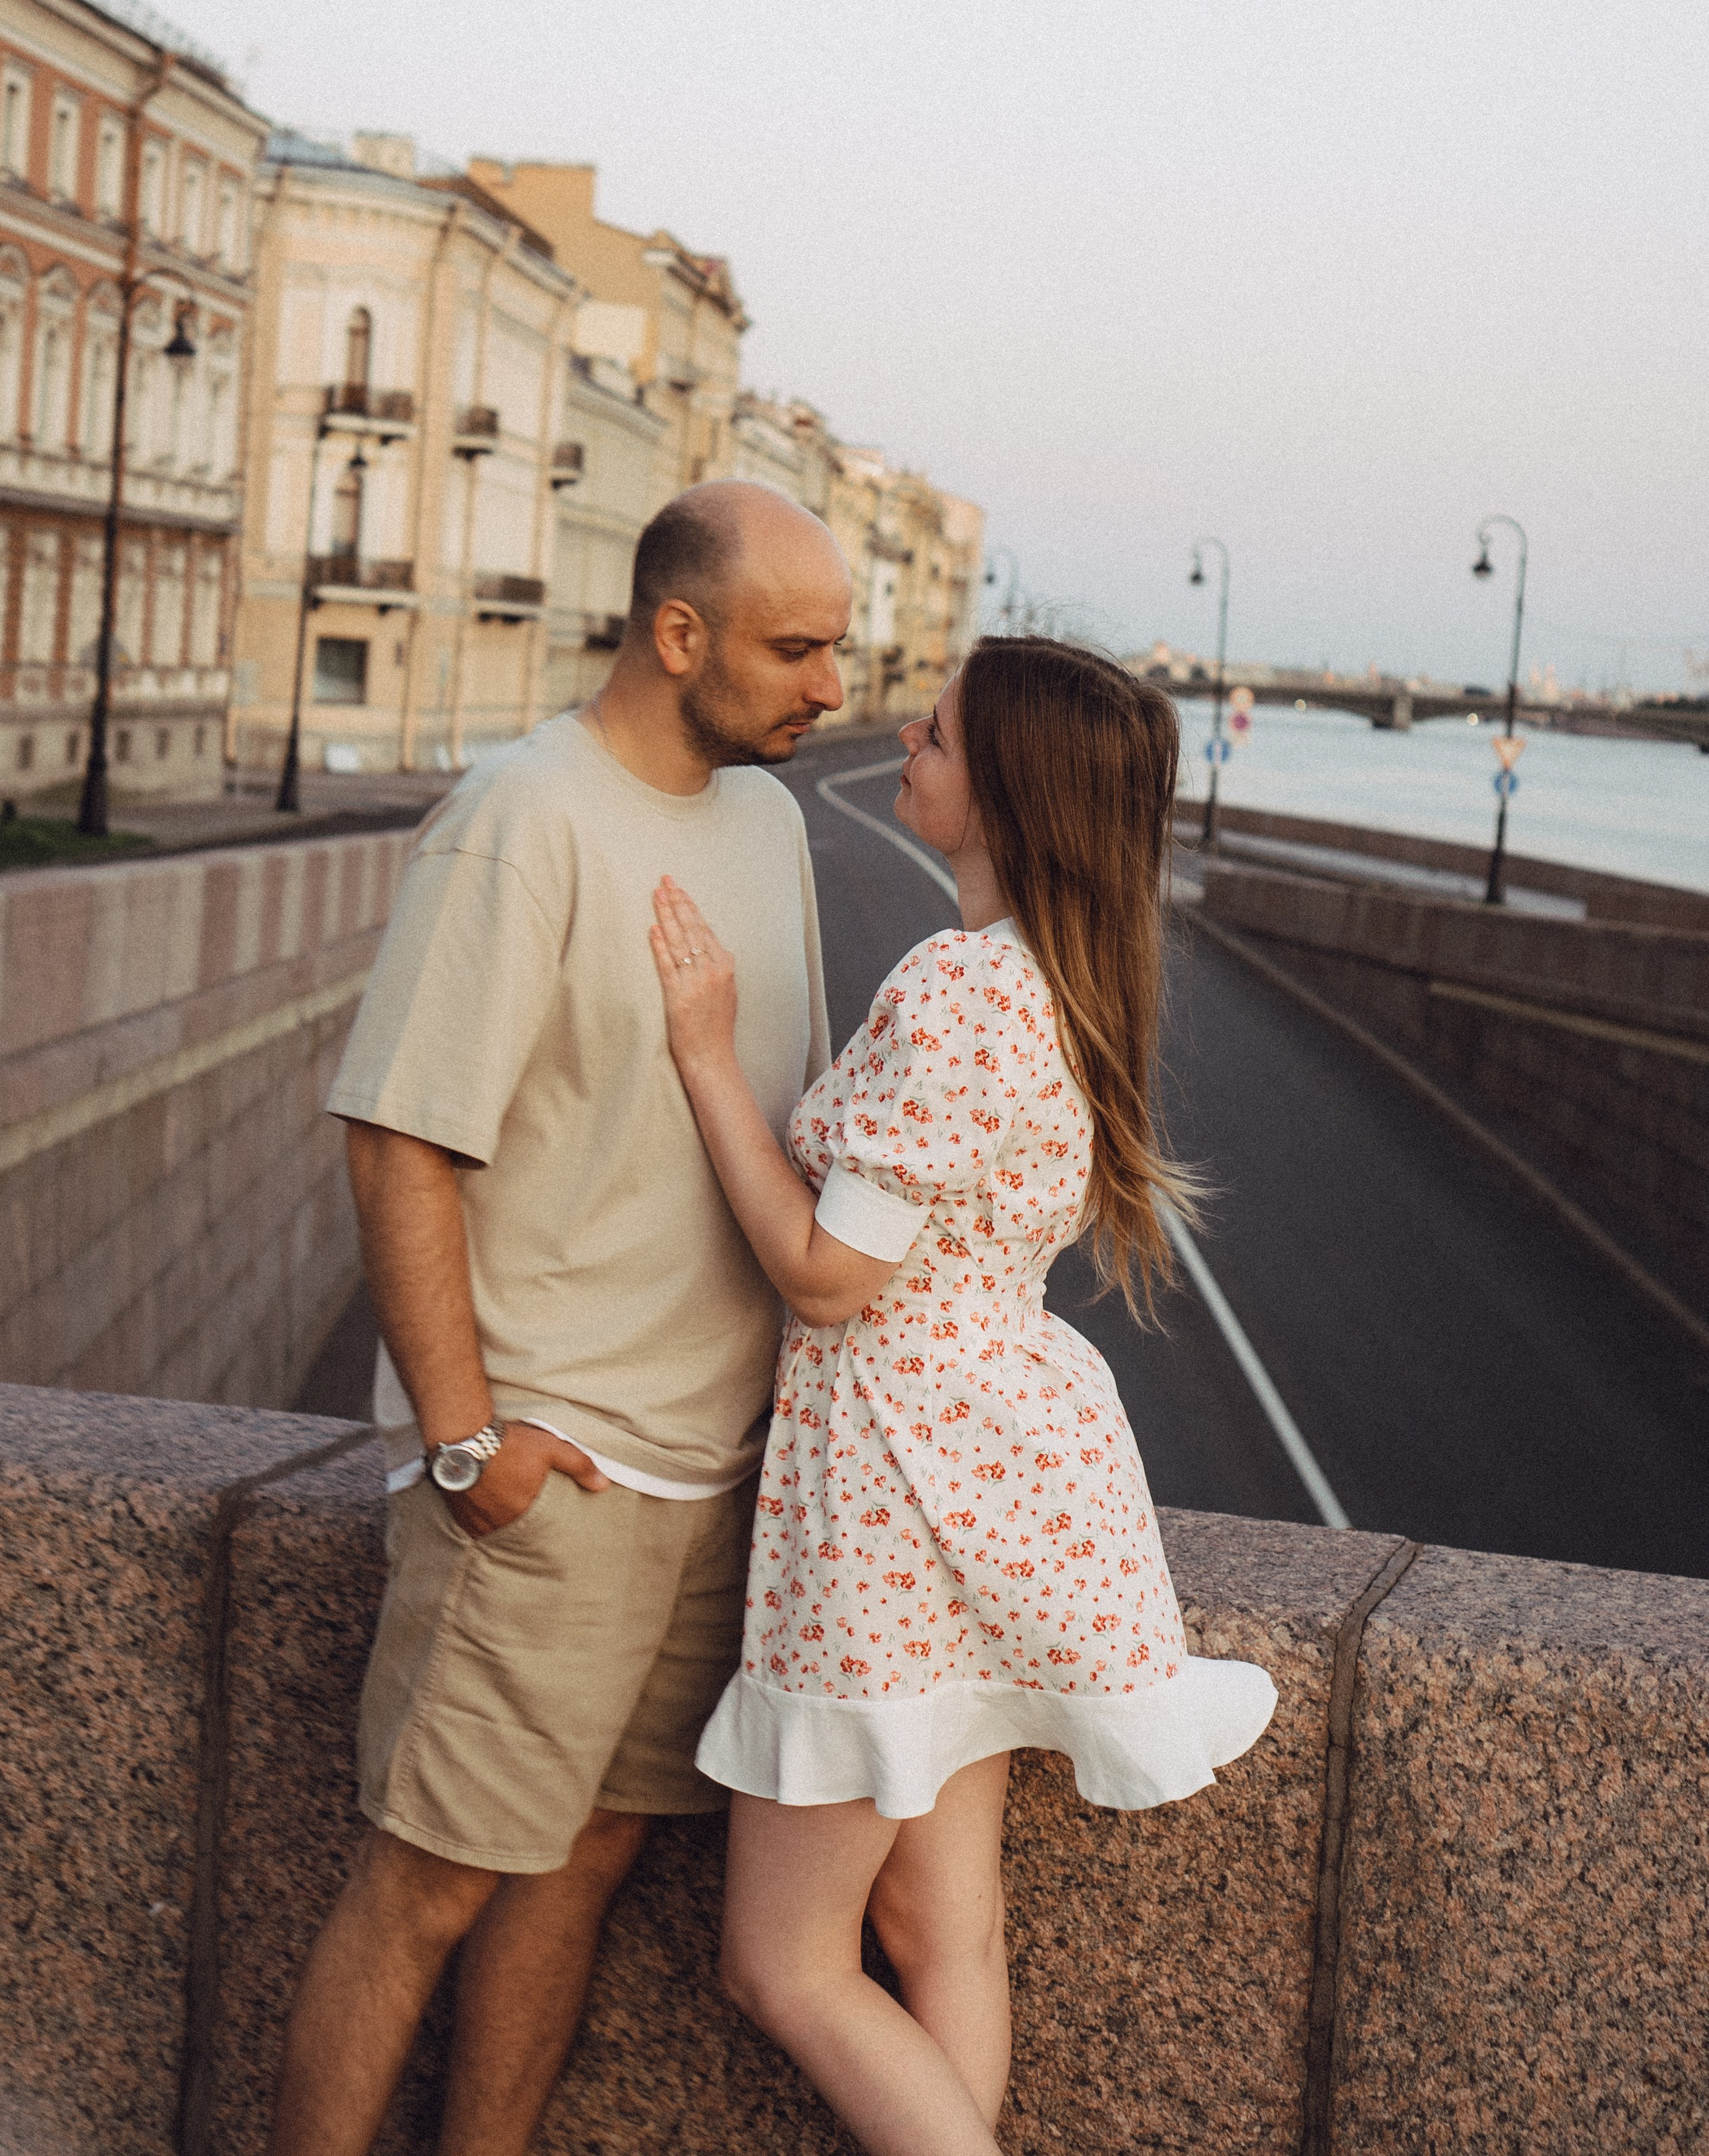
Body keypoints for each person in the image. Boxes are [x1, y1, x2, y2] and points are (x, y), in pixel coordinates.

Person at [269, 480, 850, 2156]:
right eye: (794, 648)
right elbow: (398, 1132)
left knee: (585, 1857)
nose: (827, 687)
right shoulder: (522, 813)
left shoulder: (772, 822)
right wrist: (466, 1444)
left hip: (714, 1472)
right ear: (678, 636)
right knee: (428, 1885)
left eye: (834, 650)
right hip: (554, 1475)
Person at [648, 633, 1277, 2156]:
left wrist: (704, 1056)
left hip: (884, 1499)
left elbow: (823, 1277)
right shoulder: (1061, 982)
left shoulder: (955, 989)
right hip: (984, 1480)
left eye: (928, 736)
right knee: (944, 1938)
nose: (905, 748)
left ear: (999, 790)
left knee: (782, 1963)